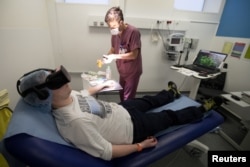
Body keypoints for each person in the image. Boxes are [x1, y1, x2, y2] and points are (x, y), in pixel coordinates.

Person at [17, 66, 223, 161]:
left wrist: (101, 86)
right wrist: (140, 146)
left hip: (122, 110)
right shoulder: (74, 123)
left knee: (149, 99)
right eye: (58, 82)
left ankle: (172, 93)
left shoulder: (67, 98)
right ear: (45, 95)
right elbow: (107, 151)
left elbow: (83, 93)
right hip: (132, 129)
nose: (66, 82)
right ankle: (201, 109)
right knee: (169, 117)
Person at [103, 6, 142, 101]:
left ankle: (130, 115)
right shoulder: (115, 34)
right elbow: (113, 48)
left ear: (121, 22)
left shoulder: (133, 32)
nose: (112, 29)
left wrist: (114, 56)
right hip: (122, 71)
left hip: (132, 72)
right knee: (121, 95)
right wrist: (106, 57)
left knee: (128, 99)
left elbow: (134, 54)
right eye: (109, 27)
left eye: (113, 27)